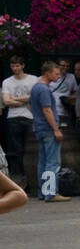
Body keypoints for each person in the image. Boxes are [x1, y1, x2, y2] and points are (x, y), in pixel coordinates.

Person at [29, 61, 69, 202]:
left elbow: (31, 107)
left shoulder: (35, 88)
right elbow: (47, 109)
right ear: (48, 73)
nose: (58, 76)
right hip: (48, 129)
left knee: (43, 161)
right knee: (52, 162)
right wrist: (56, 129)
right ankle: (51, 193)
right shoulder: (44, 89)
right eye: (56, 73)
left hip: (39, 128)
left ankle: (43, 192)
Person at [3, 55, 36, 191]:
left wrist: (15, 99)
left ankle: (31, 178)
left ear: (23, 65)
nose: (15, 68)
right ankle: (22, 177)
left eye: (17, 65)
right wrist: (25, 100)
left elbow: (33, 97)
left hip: (29, 117)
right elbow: (6, 101)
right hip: (13, 118)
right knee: (18, 150)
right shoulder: (7, 82)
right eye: (12, 66)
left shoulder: (33, 79)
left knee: (31, 149)